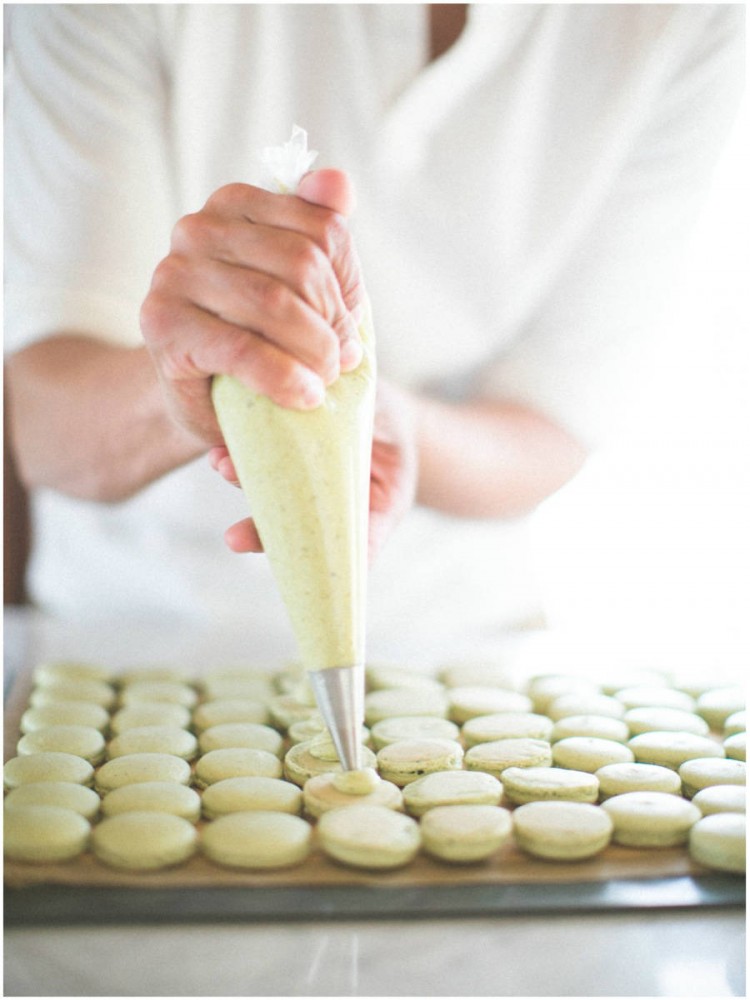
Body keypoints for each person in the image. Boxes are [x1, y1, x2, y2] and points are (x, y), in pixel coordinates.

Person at [4, 4, 743, 664]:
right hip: (128, 636)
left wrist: (383, 426)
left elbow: (555, 422)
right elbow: (40, 424)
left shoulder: (685, 19)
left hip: (460, 644)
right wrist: (185, 387)